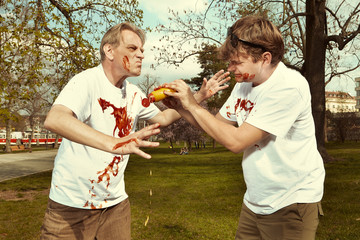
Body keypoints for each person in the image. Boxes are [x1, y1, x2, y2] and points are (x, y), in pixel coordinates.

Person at [40, 22, 229, 240]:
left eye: (141, 50)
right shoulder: (87, 81)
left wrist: (199, 97)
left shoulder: (133, 92)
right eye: (132, 49)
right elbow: (55, 119)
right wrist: (115, 143)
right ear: (109, 51)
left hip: (115, 205)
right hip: (71, 204)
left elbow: (164, 117)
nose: (140, 55)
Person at [165, 15, 325, 240]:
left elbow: (236, 141)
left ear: (265, 58)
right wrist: (183, 108)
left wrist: (193, 103)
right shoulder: (244, 85)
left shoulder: (289, 86)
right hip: (255, 201)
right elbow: (218, 126)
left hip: (290, 202)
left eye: (236, 62)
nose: (230, 69)